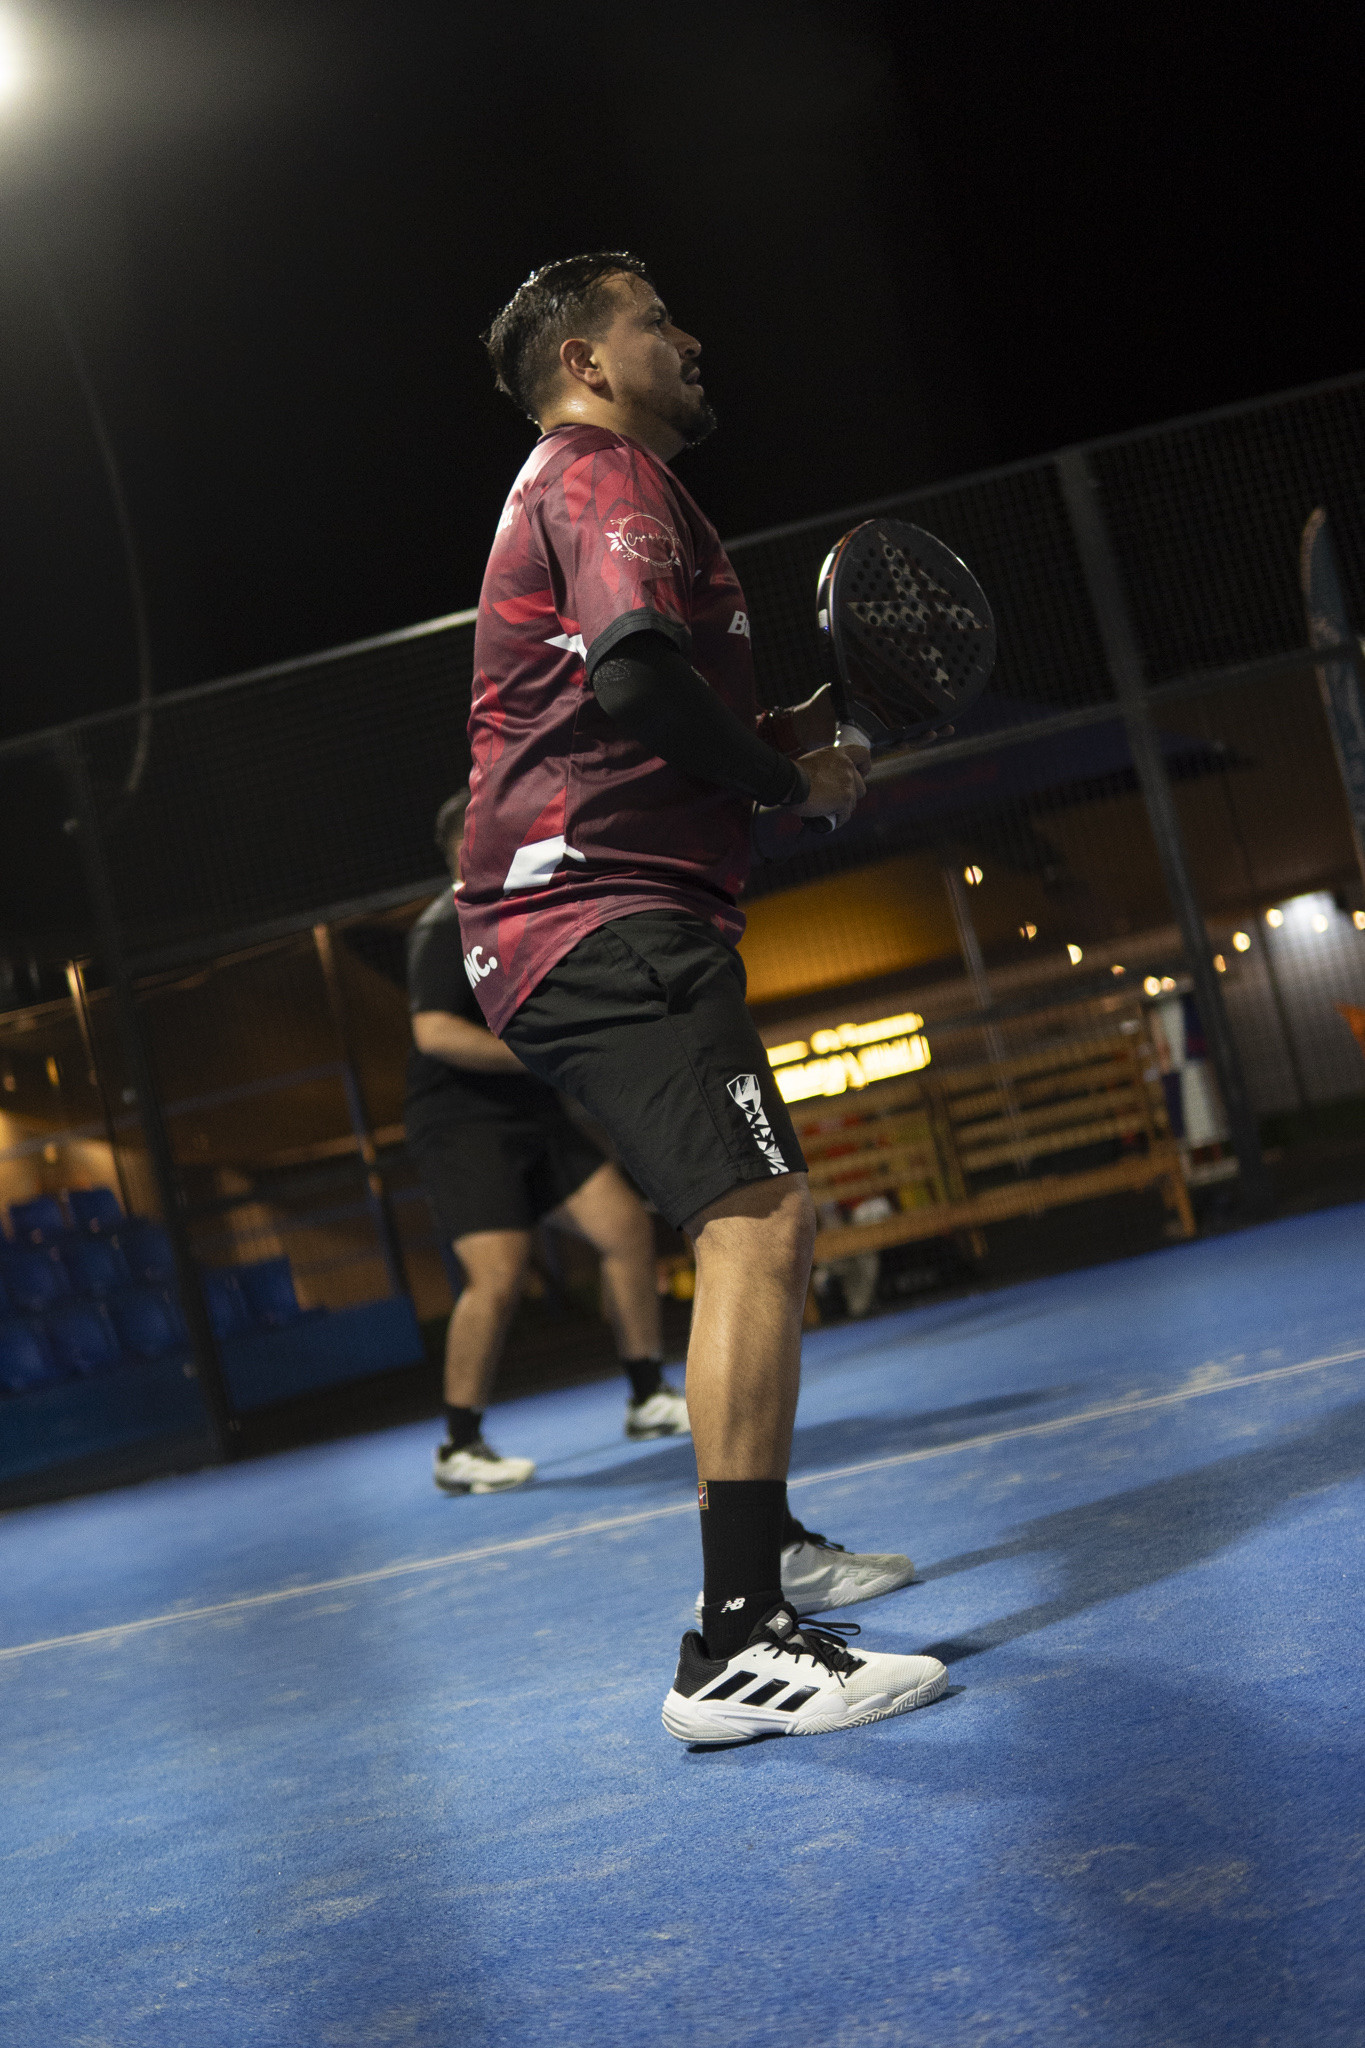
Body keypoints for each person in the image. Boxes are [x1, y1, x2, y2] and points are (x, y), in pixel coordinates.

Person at [458, 253, 946, 1741]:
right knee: (759, 1215)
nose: (687, 337)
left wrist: (786, 740)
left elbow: (641, 711)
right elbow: (632, 687)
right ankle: (735, 1639)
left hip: (596, 910)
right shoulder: (601, 473)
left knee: (758, 1211)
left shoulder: (588, 483)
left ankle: (766, 1543)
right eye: (654, 319)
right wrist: (791, 783)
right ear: (586, 362)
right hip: (595, 914)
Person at [405, 787, 689, 1495]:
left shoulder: (525, 913)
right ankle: (459, 1448)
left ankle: (648, 1397)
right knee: (497, 1278)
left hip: (535, 1116)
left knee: (624, 1228)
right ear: (465, 848)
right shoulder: (445, 924)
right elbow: (432, 1032)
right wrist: (530, 1059)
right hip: (463, 1127)